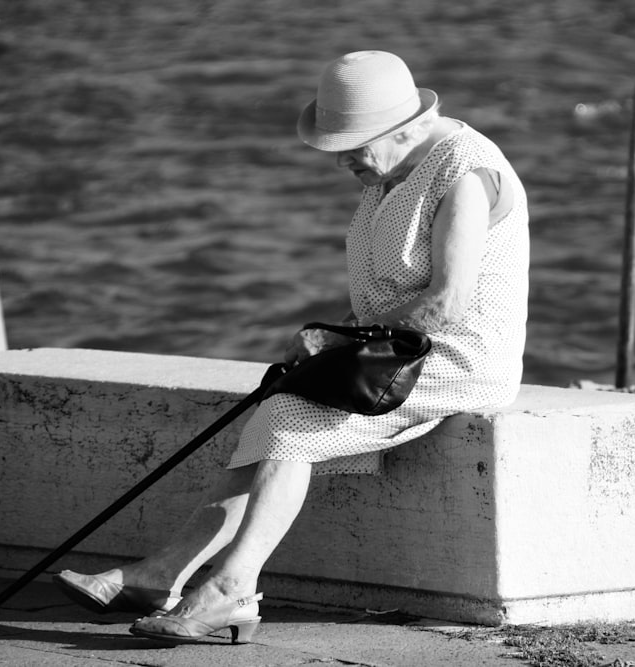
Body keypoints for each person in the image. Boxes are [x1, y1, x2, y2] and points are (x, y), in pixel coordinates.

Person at [52, 50, 530, 644]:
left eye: (353, 145)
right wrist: (331, 336)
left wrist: (341, 343)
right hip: (394, 348)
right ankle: (159, 575)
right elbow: (387, 290)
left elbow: (445, 304)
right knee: (274, 410)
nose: (342, 161)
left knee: (290, 414)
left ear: (405, 128)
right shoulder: (390, 167)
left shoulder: (464, 173)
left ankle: (231, 588)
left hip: (456, 358)